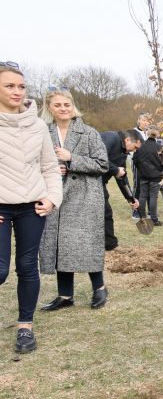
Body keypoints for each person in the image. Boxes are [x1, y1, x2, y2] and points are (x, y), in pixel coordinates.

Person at [0, 62, 62, 353]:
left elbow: (50, 167)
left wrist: (51, 198)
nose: (17, 91)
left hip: (32, 208)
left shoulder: (37, 125)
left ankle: (25, 327)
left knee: (27, 267)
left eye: (21, 86)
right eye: (9, 85)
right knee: (0, 270)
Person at [38, 87, 110, 311]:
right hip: (55, 196)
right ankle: (65, 295)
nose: (63, 108)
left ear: (73, 106)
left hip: (85, 198)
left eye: (66, 104)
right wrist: (49, 171)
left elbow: (102, 164)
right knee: (61, 244)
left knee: (86, 244)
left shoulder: (89, 133)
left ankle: (99, 288)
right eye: (57, 105)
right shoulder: (42, 132)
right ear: (49, 107)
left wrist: (72, 159)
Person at [99, 130, 141, 250]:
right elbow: (100, 157)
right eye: (135, 147)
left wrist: (130, 198)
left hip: (99, 182)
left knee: (106, 212)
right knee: (101, 212)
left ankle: (110, 244)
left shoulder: (123, 152)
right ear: (127, 140)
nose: (135, 150)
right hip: (87, 180)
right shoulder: (111, 137)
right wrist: (116, 170)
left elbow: (122, 177)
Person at [133, 129, 163, 226]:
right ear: (156, 135)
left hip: (143, 175)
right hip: (155, 176)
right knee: (153, 197)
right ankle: (154, 219)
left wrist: (140, 168)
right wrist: (161, 172)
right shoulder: (159, 147)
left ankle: (142, 217)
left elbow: (135, 159)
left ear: (148, 134)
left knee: (142, 196)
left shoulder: (141, 146)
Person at [129, 112, 151, 221]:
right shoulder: (133, 132)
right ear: (139, 120)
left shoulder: (150, 133)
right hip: (138, 163)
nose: (146, 122)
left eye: (148, 121)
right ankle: (135, 211)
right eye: (144, 120)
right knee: (138, 186)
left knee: (148, 186)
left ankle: (147, 210)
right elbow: (133, 149)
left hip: (149, 165)